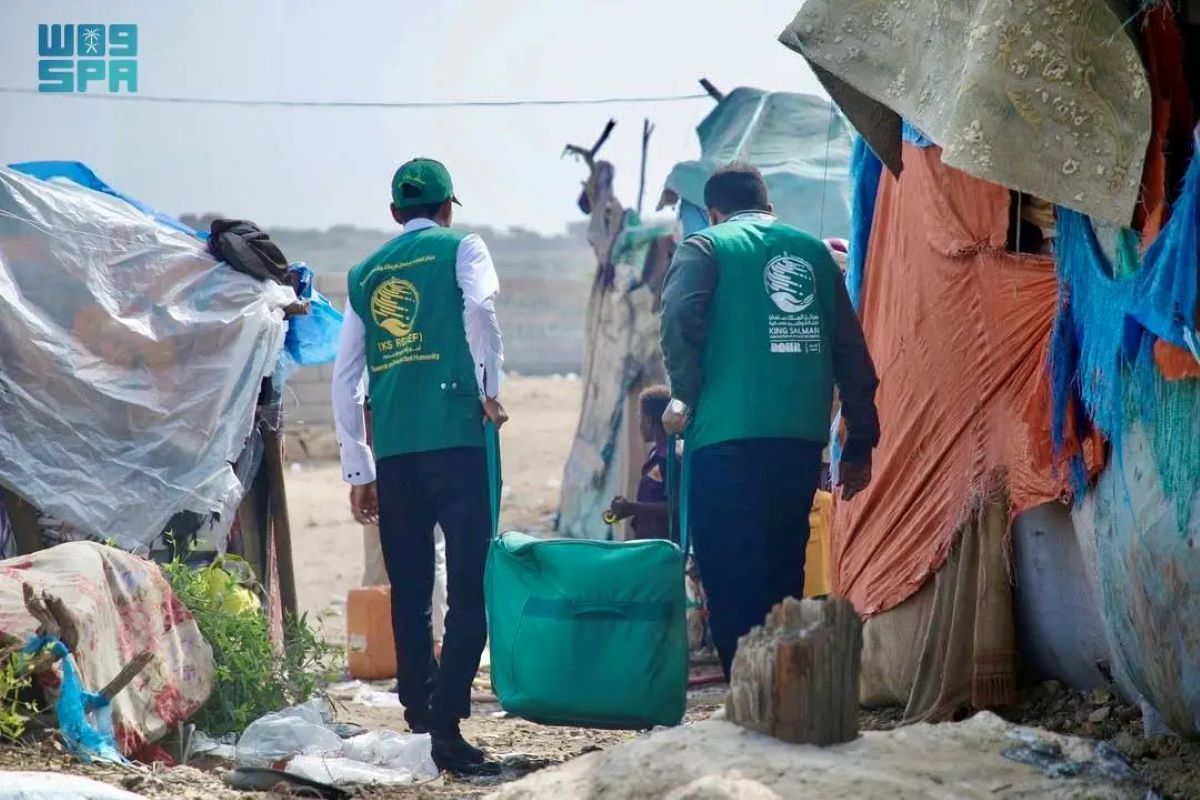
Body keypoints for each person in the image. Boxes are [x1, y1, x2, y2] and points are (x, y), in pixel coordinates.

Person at [659, 162, 880, 679]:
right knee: (783, 565)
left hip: (723, 437)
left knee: (728, 567)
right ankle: (780, 687)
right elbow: (852, 353)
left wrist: (684, 396)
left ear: (714, 211)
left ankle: (747, 689)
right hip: (798, 439)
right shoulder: (815, 254)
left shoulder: (706, 247)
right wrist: (860, 442)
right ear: (770, 205)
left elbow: (677, 318)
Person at [332, 158, 507, 776]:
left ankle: (418, 711)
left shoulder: (363, 273)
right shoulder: (464, 247)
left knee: (408, 590)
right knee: (467, 586)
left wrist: (359, 469)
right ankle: (448, 721)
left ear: (393, 214)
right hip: (459, 440)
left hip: (398, 453)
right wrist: (490, 385)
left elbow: (346, 376)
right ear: (447, 208)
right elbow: (481, 312)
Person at [360, 401, 447, 663]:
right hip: (432, 459)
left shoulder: (375, 363)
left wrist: (364, 474)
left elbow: (362, 413)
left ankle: (381, 643)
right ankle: (432, 641)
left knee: (383, 555)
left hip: (390, 464)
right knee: (428, 552)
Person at [605, 385, 674, 541]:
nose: (639, 424)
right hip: (650, 542)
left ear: (649, 421)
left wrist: (632, 507)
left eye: (640, 418)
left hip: (661, 546)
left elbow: (674, 507)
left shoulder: (669, 457)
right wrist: (627, 510)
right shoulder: (656, 453)